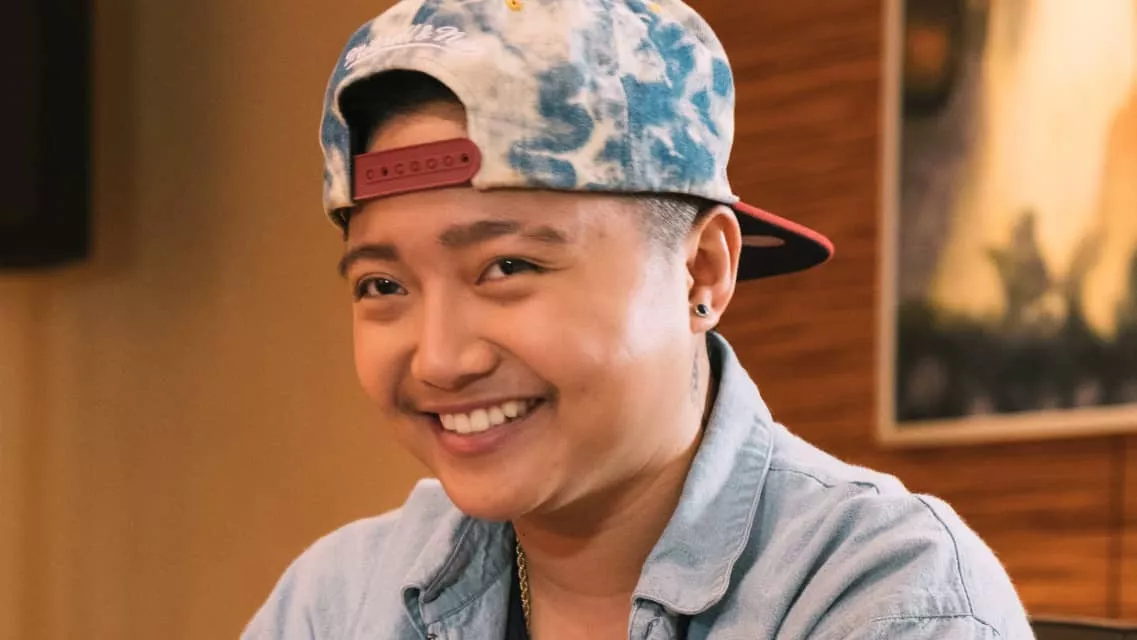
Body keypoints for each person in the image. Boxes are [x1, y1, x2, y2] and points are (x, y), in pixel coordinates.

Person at [244, 0, 1035, 638]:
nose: (440, 360)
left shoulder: (878, 596)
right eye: (383, 285)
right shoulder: (338, 601)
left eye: (508, 267)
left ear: (702, 270)